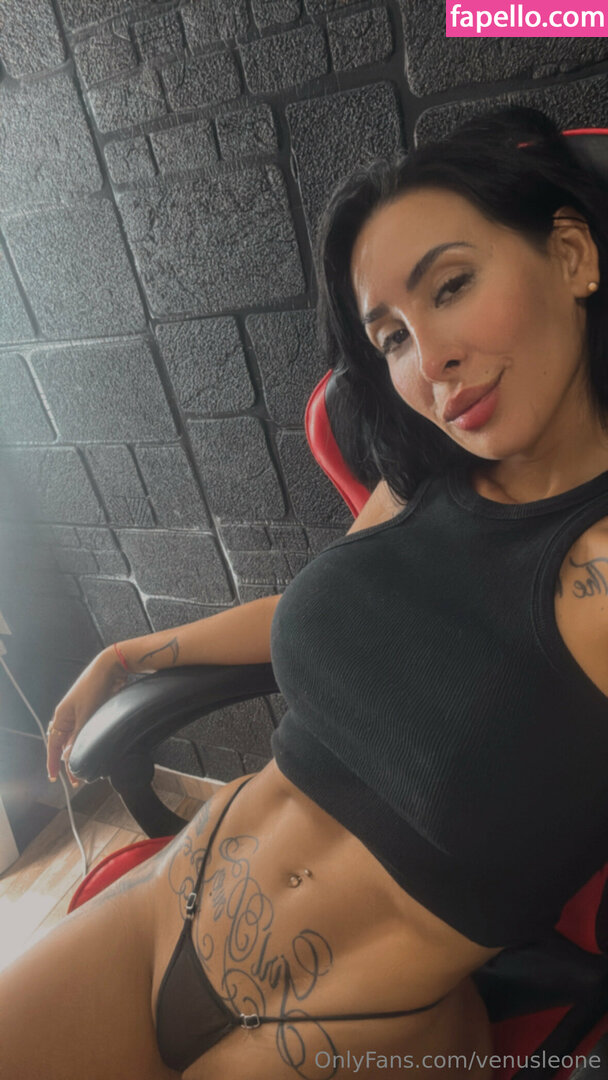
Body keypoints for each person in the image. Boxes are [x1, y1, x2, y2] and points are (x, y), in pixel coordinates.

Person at [1, 103, 607, 1080]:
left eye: (451, 286)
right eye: (391, 338)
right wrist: (134, 651)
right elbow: (324, 615)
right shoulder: (423, 479)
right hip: (172, 907)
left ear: (572, 256)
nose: (430, 362)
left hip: (364, 1024)